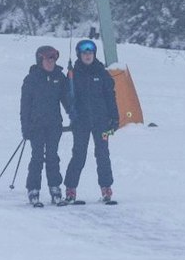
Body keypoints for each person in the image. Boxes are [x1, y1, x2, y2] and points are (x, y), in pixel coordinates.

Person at [63, 36, 119, 204]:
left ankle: (106, 188)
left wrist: (114, 118)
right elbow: (67, 98)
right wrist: (71, 113)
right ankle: (71, 189)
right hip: (81, 122)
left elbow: (110, 97)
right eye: (84, 53)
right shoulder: (73, 75)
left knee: (103, 154)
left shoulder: (103, 74)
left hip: (101, 122)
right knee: (79, 154)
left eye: (90, 52)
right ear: (79, 55)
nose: (87, 56)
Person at [20, 45, 71, 206]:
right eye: (48, 59)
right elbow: (25, 106)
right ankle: (33, 189)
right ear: (40, 60)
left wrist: (74, 116)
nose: (51, 62)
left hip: (54, 125)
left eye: (53, 59)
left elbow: (67, 101)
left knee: (52, 157)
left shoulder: (60, 77)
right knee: (37, 157)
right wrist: (25, 127)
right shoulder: (31, 79)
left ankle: (55, 189)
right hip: (36, 126)